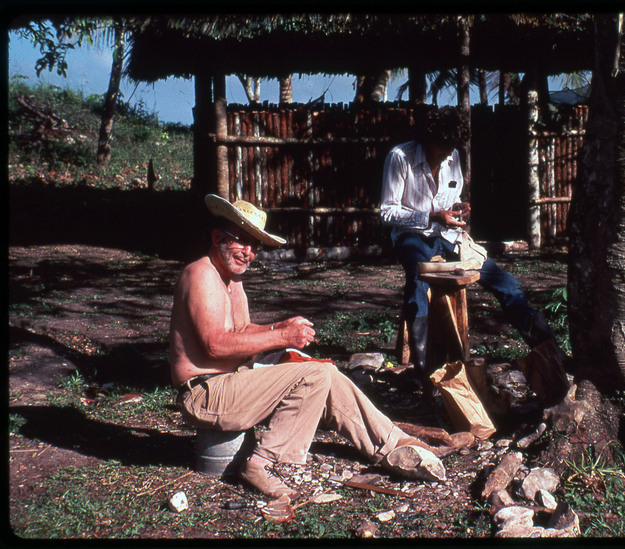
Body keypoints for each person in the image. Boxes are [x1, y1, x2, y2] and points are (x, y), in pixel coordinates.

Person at [169, 194, 445, 501]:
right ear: (218, 237)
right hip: (206, 394)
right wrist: (283, 338)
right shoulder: (201, 274)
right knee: (313, 375)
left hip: (232, 384)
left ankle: (394, 444)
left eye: (255, 246)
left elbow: (242, 332)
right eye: (241, 242)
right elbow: (215, 346)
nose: (249, 253)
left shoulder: (231, 281)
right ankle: (263, 464)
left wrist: (279, 328)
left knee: (325, 372)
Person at [380, 106, 569, 408]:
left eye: (450, 151)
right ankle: (425, 374)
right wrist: (431, 216)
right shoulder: (401, 157)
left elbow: (450, 200)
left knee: (505, 283)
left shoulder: (453, 156)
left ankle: (551, 353)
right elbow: (387, 212)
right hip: (413, 237)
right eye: (441, 149)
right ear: (427, 140)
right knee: (419, 283)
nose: (446, 156)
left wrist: (458, 208)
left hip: (449, 235)